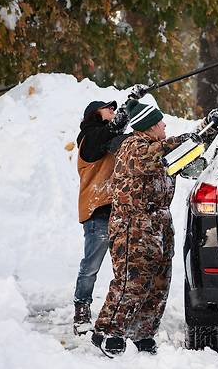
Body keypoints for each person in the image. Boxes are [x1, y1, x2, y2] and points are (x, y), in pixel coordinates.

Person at [91, 100, 218, 355]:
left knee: (158, 284)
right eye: (160, 122)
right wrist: (204, 129)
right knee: (132, 282)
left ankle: (143, 333)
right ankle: (108, 331)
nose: (165, 125)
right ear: (150, 126)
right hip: (134, 226)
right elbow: (170, 149)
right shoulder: (134, 148)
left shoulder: (160, 150)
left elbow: (187, 152)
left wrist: (211, 128)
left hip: (159, 226)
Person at [73, 85, 148, 335]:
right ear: (95, 114)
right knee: (91, 266)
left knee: (126, 268)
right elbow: (113, 130)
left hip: (118, 211)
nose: (113, 111)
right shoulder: (89, 139)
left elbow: (122, 137)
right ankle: (81, 310)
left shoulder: (107, 139)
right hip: (98, 212)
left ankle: (123, 314)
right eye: (109, 108)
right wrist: (130, 102)